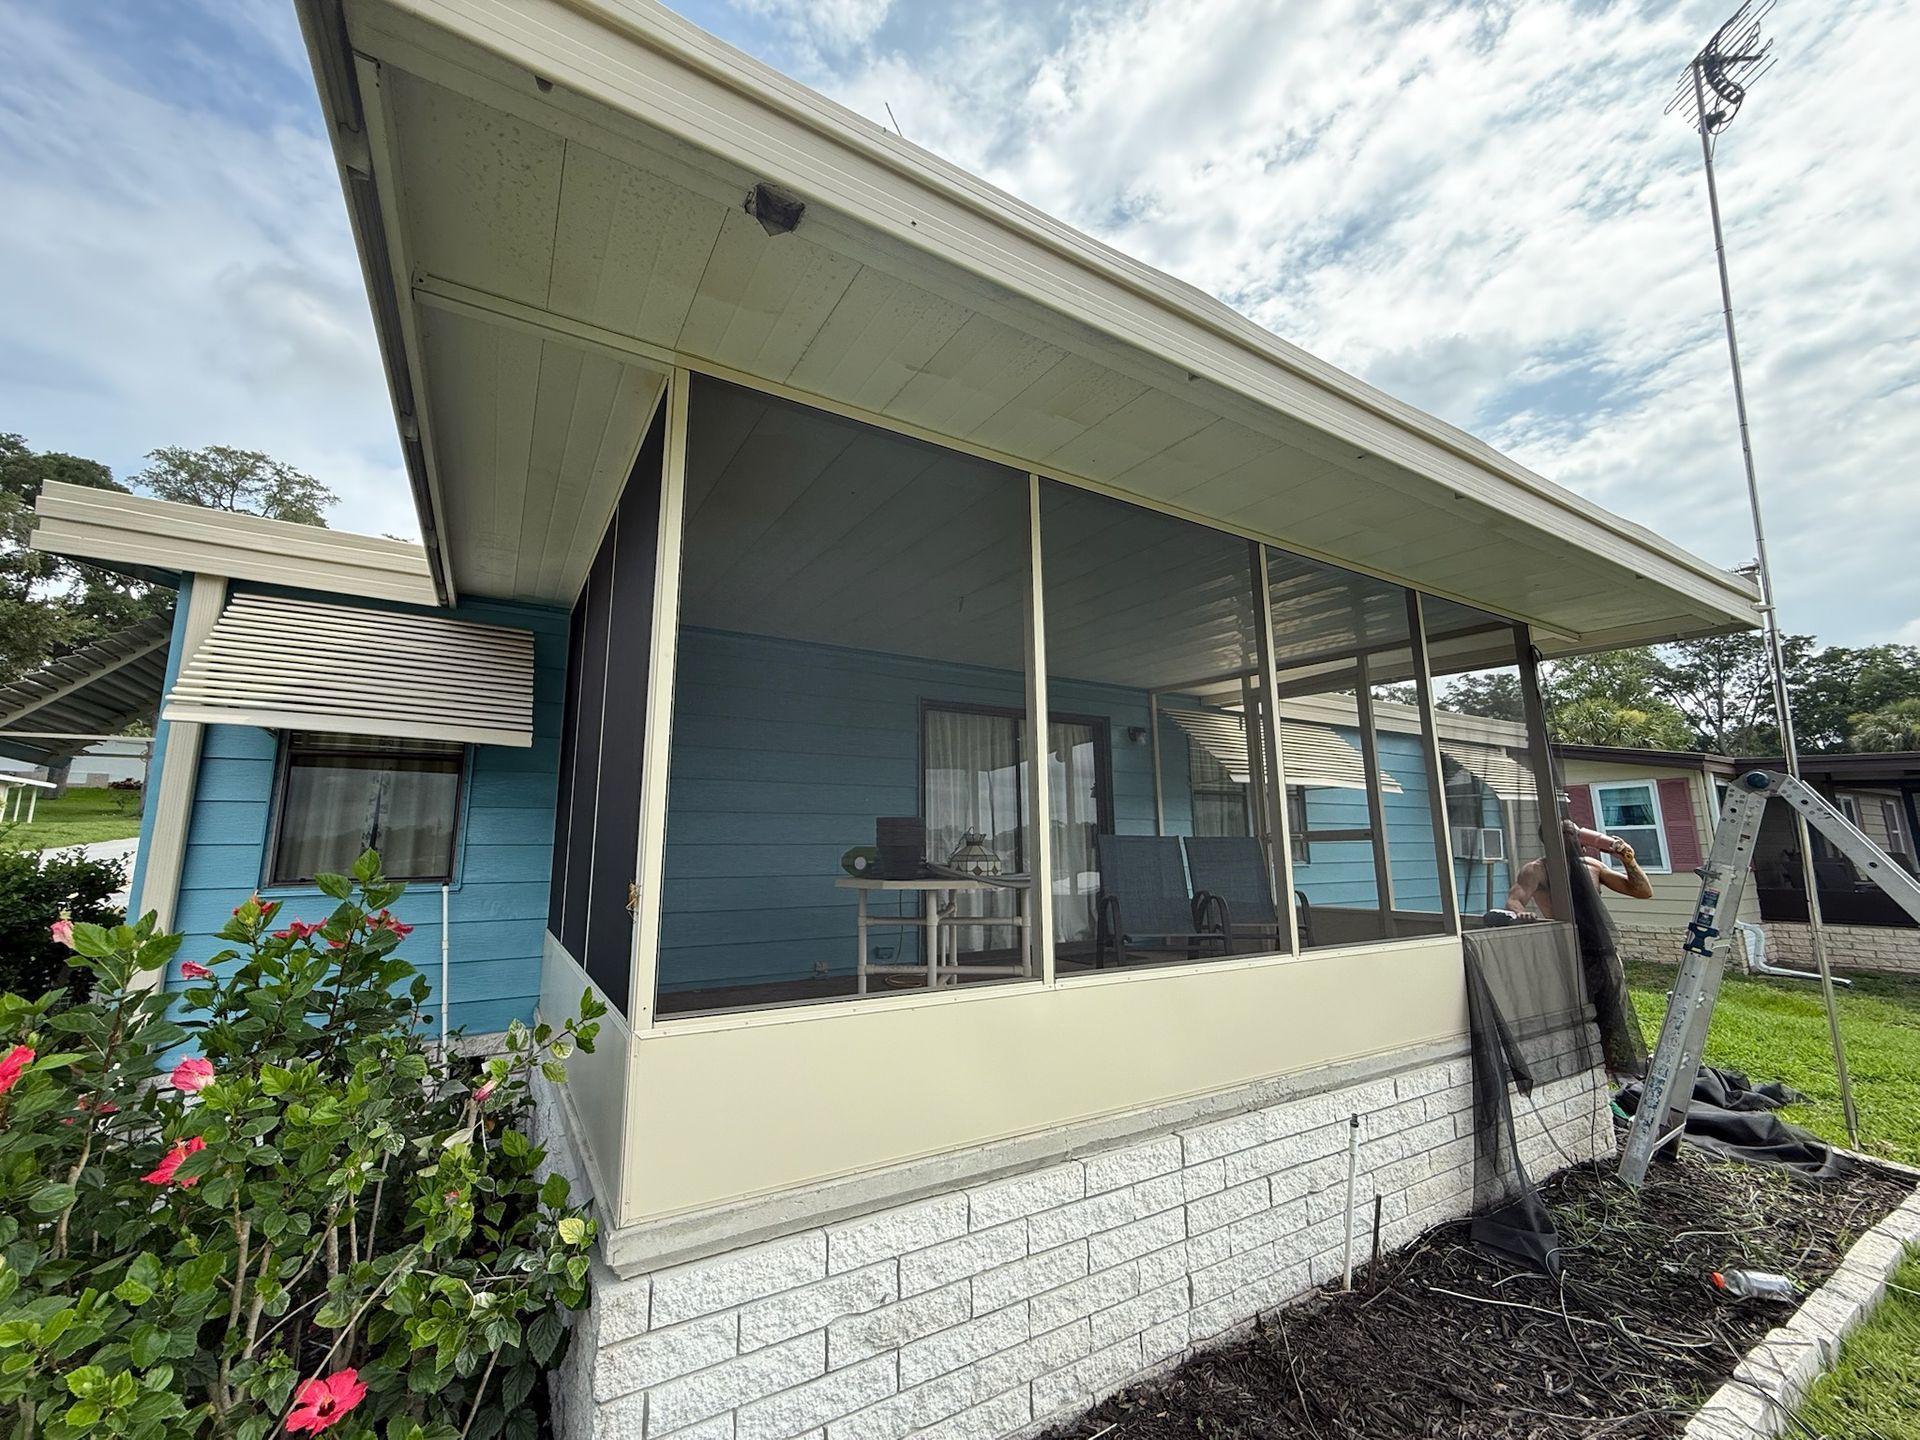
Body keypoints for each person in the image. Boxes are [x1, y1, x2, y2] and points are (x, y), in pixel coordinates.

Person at [1506, 820, 1653, 920]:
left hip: (1600, 942)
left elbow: (1643, 892)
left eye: (1579, 835)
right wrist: (1522, 914)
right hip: (1564, 941)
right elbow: (1514, 900)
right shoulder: (1536, 870)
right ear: (1555, 840)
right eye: (1572, 835)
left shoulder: (1593, 867)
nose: (1580, 839)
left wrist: (1628, 860)